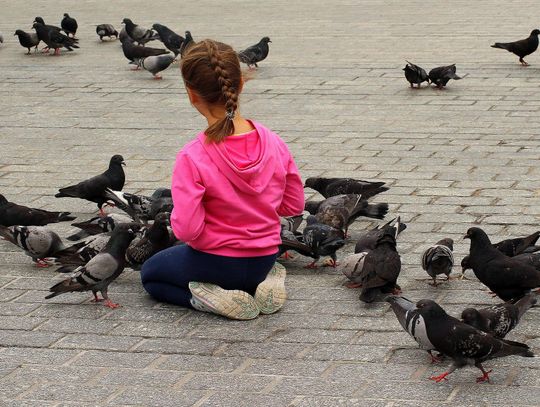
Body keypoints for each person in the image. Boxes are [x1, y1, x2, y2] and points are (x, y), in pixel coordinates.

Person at [140, 39, 305, 320]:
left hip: (215, 263)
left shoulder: (192, 156)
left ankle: (207, 299)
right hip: (264, 259)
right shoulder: (274, 142)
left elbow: (188, 231)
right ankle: (263, 284)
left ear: (191, 95)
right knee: (246, 269)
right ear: (240, 84)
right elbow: (293, 205)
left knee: (151, 273)